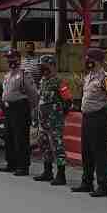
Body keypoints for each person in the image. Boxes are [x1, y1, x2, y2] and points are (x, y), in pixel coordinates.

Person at [72, 47, 107, 197]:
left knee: (100, 152)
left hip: (98, 118)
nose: (87, 62)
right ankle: (86, 182)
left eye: (90, 59)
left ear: (97, 61)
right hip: (87, 118)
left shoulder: (106, 78)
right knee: (86, 151)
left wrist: (102, 109)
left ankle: (102, 185)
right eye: (86, 59)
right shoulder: (88, 77)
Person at [0, 48, 38, 176]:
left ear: (18, 59)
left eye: (12, 58)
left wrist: (32, 108)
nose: (10, 61)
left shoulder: (23, 74)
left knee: (20, 138)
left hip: (20, 109)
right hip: (8, 109)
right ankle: (11, 163)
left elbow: (32, 93)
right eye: (8, 58)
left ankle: (23, 166)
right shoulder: (8, 74)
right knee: (9, 136)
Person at [34, 54, 71, 185]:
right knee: (44, 145)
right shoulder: (43, 81)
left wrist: (58, 115)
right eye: (41, 67)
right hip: (43, 121)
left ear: (52, 66)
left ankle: (61, 174)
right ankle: (47, 171)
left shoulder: (59, 81)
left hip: (54, 121)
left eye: (45, 67)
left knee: (57, 147)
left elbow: (68, 101)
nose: (43, 70)